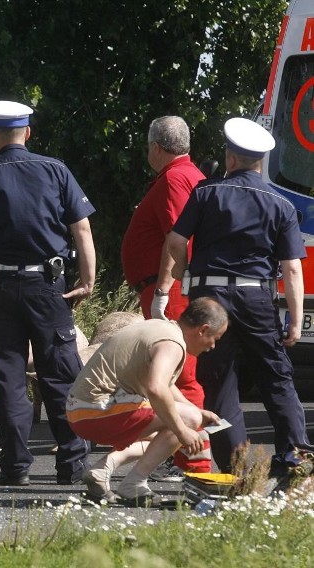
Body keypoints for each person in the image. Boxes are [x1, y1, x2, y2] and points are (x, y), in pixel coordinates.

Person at [0, 100, 95, 486]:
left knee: (9, 378)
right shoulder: (56, 170)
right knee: (59, 376)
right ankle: (72, 465)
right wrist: (88, 280)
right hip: (49, 289)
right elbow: (82, 230)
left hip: (2, 291)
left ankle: (14, 467)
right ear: (27, 133)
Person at [166, 117, 314, 476]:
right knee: (276, 377)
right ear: (260, 162)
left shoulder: (204, 194)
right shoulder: (279, 204)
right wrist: (294, 320)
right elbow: (292, 268)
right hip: (256, 299)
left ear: (230, 158)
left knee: (219, 383)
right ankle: (296, 457)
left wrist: (183, 274)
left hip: (210, 298)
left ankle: (236, 467)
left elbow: (175, 242)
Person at [120, 116, 212, 481]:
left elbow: (179, 240)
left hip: (172, 289)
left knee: (180, 375)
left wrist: (163, 289)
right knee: (174, 374)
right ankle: (180, 457)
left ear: (156, 147)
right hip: (174, 287)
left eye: (148, 147)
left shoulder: (175, 179)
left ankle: (193, 463)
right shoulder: (190, 176)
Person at [67, 297, 228, 506]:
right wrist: (183, 428)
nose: (213, 346)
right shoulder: (172, 344)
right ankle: (134, 484)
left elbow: (165, 385)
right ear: (203, 329)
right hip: (96, 411)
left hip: (80, 412)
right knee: (184, 420)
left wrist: (193, 411)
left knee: (174, 427)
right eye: (215, 338)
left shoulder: (161, 328)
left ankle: (101, 469)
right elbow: (156, 388)